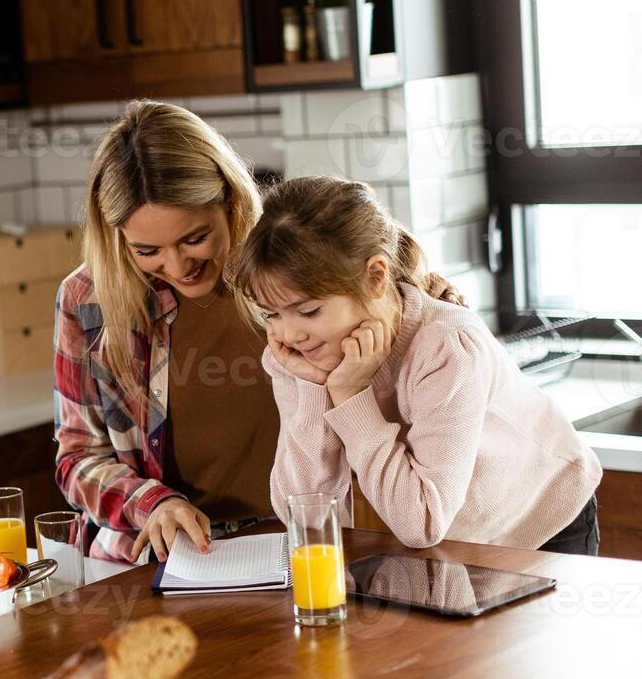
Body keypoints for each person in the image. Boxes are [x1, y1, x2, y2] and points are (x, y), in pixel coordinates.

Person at [52, 101, 464, 566]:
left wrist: (426, 292)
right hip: (169, 562)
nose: (176, 266)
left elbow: (384, 278)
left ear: (229, 199)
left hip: (300, 546)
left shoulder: (288, 260)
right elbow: (77, 458)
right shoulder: (88, 301)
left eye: (194, 238)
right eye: (147, 250)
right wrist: (154, 502)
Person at [224, 175, 601, 553]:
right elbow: (305, 516)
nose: (289, 334)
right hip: (460, 538)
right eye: (271, 315)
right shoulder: (297, 357)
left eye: (308, 311)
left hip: (542, 518)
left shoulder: (445, 345)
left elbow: (421, 522)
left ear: (375, 277)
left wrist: (351, 395)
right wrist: (313, 388)